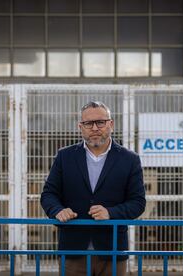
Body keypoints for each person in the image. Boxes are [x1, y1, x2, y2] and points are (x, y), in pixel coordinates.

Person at [41, 101, 146, 276]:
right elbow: (49, 194)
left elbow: (138, 202)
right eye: (88, 123)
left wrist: (111, 213)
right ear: (80, 126)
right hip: (73, 250)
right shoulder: (65, 156)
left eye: (100, 122)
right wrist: (58, 210)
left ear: (111, 124)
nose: (95, 128)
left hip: (112, 250)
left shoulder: (129, 159)